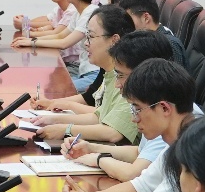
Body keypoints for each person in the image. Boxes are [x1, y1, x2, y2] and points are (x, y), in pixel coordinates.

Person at [59, 58, 205, 192]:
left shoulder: (196, 150)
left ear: (164, 108)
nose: (133, 119)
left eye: (137, 109)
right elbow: (138, 187)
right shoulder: (178, 142)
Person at [60, 32, 175, 173]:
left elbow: (133, 173)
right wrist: (91, 148)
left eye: (120, 76)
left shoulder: (163, 113)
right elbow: (139, 152)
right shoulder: (153, 103)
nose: (117, 84)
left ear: (143, 71)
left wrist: (99, 159)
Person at [31, 6, 138, 144]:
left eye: (91, 37)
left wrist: (66, 129)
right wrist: (53, 119)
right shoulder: (110, 73)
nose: (86, 44)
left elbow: (113, 132)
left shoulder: (128, 77)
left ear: (114, 40)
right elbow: (98, 116)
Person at [16, 0, 99, 91]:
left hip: (93, 74)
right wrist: (31, 40)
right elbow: (60, 35)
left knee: (59, 90)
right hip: (84, 71)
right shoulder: (79, 12)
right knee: (51, 86)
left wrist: (32, 42)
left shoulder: (90, 13)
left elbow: (64, 43)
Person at [116, 0, 187, 62]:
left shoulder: (170, 45)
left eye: (129, 19)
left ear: (146, 18)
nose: (126, 24)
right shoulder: (144, 42)